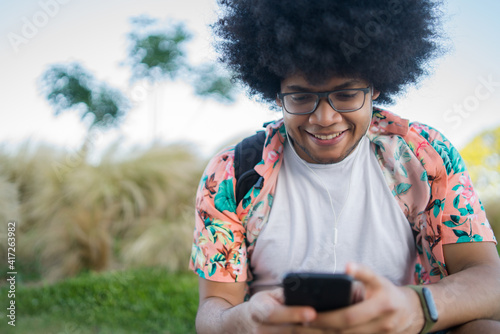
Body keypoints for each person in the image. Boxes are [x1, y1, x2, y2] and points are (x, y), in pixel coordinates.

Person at [189, 0, 500, 333]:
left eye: (347, 94)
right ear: (277, 96)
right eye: (300, 97)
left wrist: (417, 306)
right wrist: (240, 322)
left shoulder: (425, 155)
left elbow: (489, 280)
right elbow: (214, 307)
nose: (324, 118)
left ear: (376, 87)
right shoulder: (233, 173)